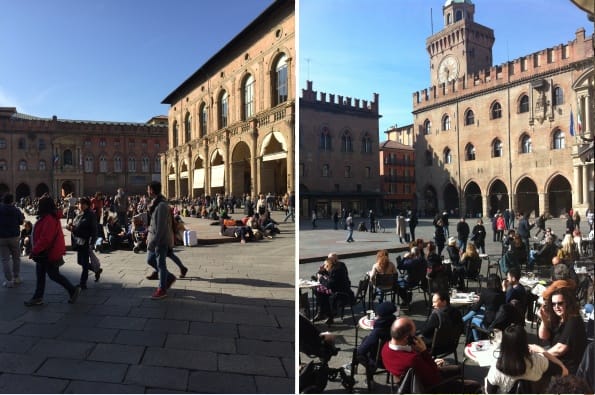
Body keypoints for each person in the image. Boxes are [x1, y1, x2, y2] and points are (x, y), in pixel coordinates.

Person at [381, 316, 480, 393]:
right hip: (429, 387)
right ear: (407, 338)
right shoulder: (412, 359)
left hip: (413, 379)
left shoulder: (385, 348)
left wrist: (430, 363)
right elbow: (435, 379)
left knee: (457, 369)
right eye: (414, 334)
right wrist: (424, 352)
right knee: (475, 385)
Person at [24, 195, 81, 306]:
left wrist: (34, 250)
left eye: (40, 204)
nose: (38, 205)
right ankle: (38, 297)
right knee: (42, 274)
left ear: (44, 206)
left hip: (48, 252)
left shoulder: (49, 218)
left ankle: (72, 290)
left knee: (53, 275)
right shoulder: (47, 216)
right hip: (44, 252)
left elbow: (46, 239)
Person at [485, 324, 567, 393]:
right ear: (525, 343)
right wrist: (543, 351)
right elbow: (564, 372)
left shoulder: (496, 367)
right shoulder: (539, 360)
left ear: (504, 345)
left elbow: (489, 391)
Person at [535, 284, 587, 374]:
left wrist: (539, 355)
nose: (556, 307)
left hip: (568, 368)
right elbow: (543, 336)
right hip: (557, 361)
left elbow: (560, 349)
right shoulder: (559, 318)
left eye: (560, 303)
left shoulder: (574, 320)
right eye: (553, 304)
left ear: (567, 303)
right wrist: (544, 320)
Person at [146, 181, 177, 300]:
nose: (147, 191)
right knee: (150, 260)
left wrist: (154, 242)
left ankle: (162, 289)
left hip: (161, 240)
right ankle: (169, 277)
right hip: (154, 238)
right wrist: (148, 237)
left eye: (148, 189)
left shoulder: (162, 205)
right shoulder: (155, 203)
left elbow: (161, 227)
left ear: (152, 190)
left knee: (161, 264)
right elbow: (153, 224)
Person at [356, 302, 397, 379]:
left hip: (380, 361)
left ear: (380, 316)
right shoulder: (396, 325)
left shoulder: (377, 332)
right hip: (394, 357)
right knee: (366, 339)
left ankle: (370, 373)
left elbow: (361, 351)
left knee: (358, 354)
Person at [313, 253, 354, 324]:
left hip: (341, 293)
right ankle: (323, 313)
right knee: (318, 291)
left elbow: (329, 284)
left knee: (319, 292)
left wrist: (321, 278)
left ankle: (326, 314)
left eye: (326, 265)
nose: (324, 266)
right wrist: (322, 272)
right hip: (339, 289)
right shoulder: (336, 267)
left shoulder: (337, 269)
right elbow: (329, 276)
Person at [67, 197, 98, 290]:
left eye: (82, 204)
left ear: (87, 205)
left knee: (84, 264)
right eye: (79, 203)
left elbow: (94, 230)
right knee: (80, 262)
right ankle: (96, 269)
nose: (80, 205)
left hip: (85, 241)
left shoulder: (91, 215)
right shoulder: (79, 214)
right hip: (78, 241)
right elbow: (76, 226)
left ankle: (83, 283)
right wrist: (71, 227)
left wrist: (92, 242)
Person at [462, 274, 505, 341]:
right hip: (499, 320)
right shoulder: (502, 294)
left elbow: (475, 309)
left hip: (488, 320)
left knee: (473, 319)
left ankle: (476, 340)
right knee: (480, 310)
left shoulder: (485, 293)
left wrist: (463, 319)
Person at [0, 194, 25, 287]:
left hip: (1, 237)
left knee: (5, 259)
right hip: (14, 237)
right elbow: (21, 222)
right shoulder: (16, 210)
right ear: (11, 201)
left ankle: (9, 280)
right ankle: (16, 277)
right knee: (16, 258)